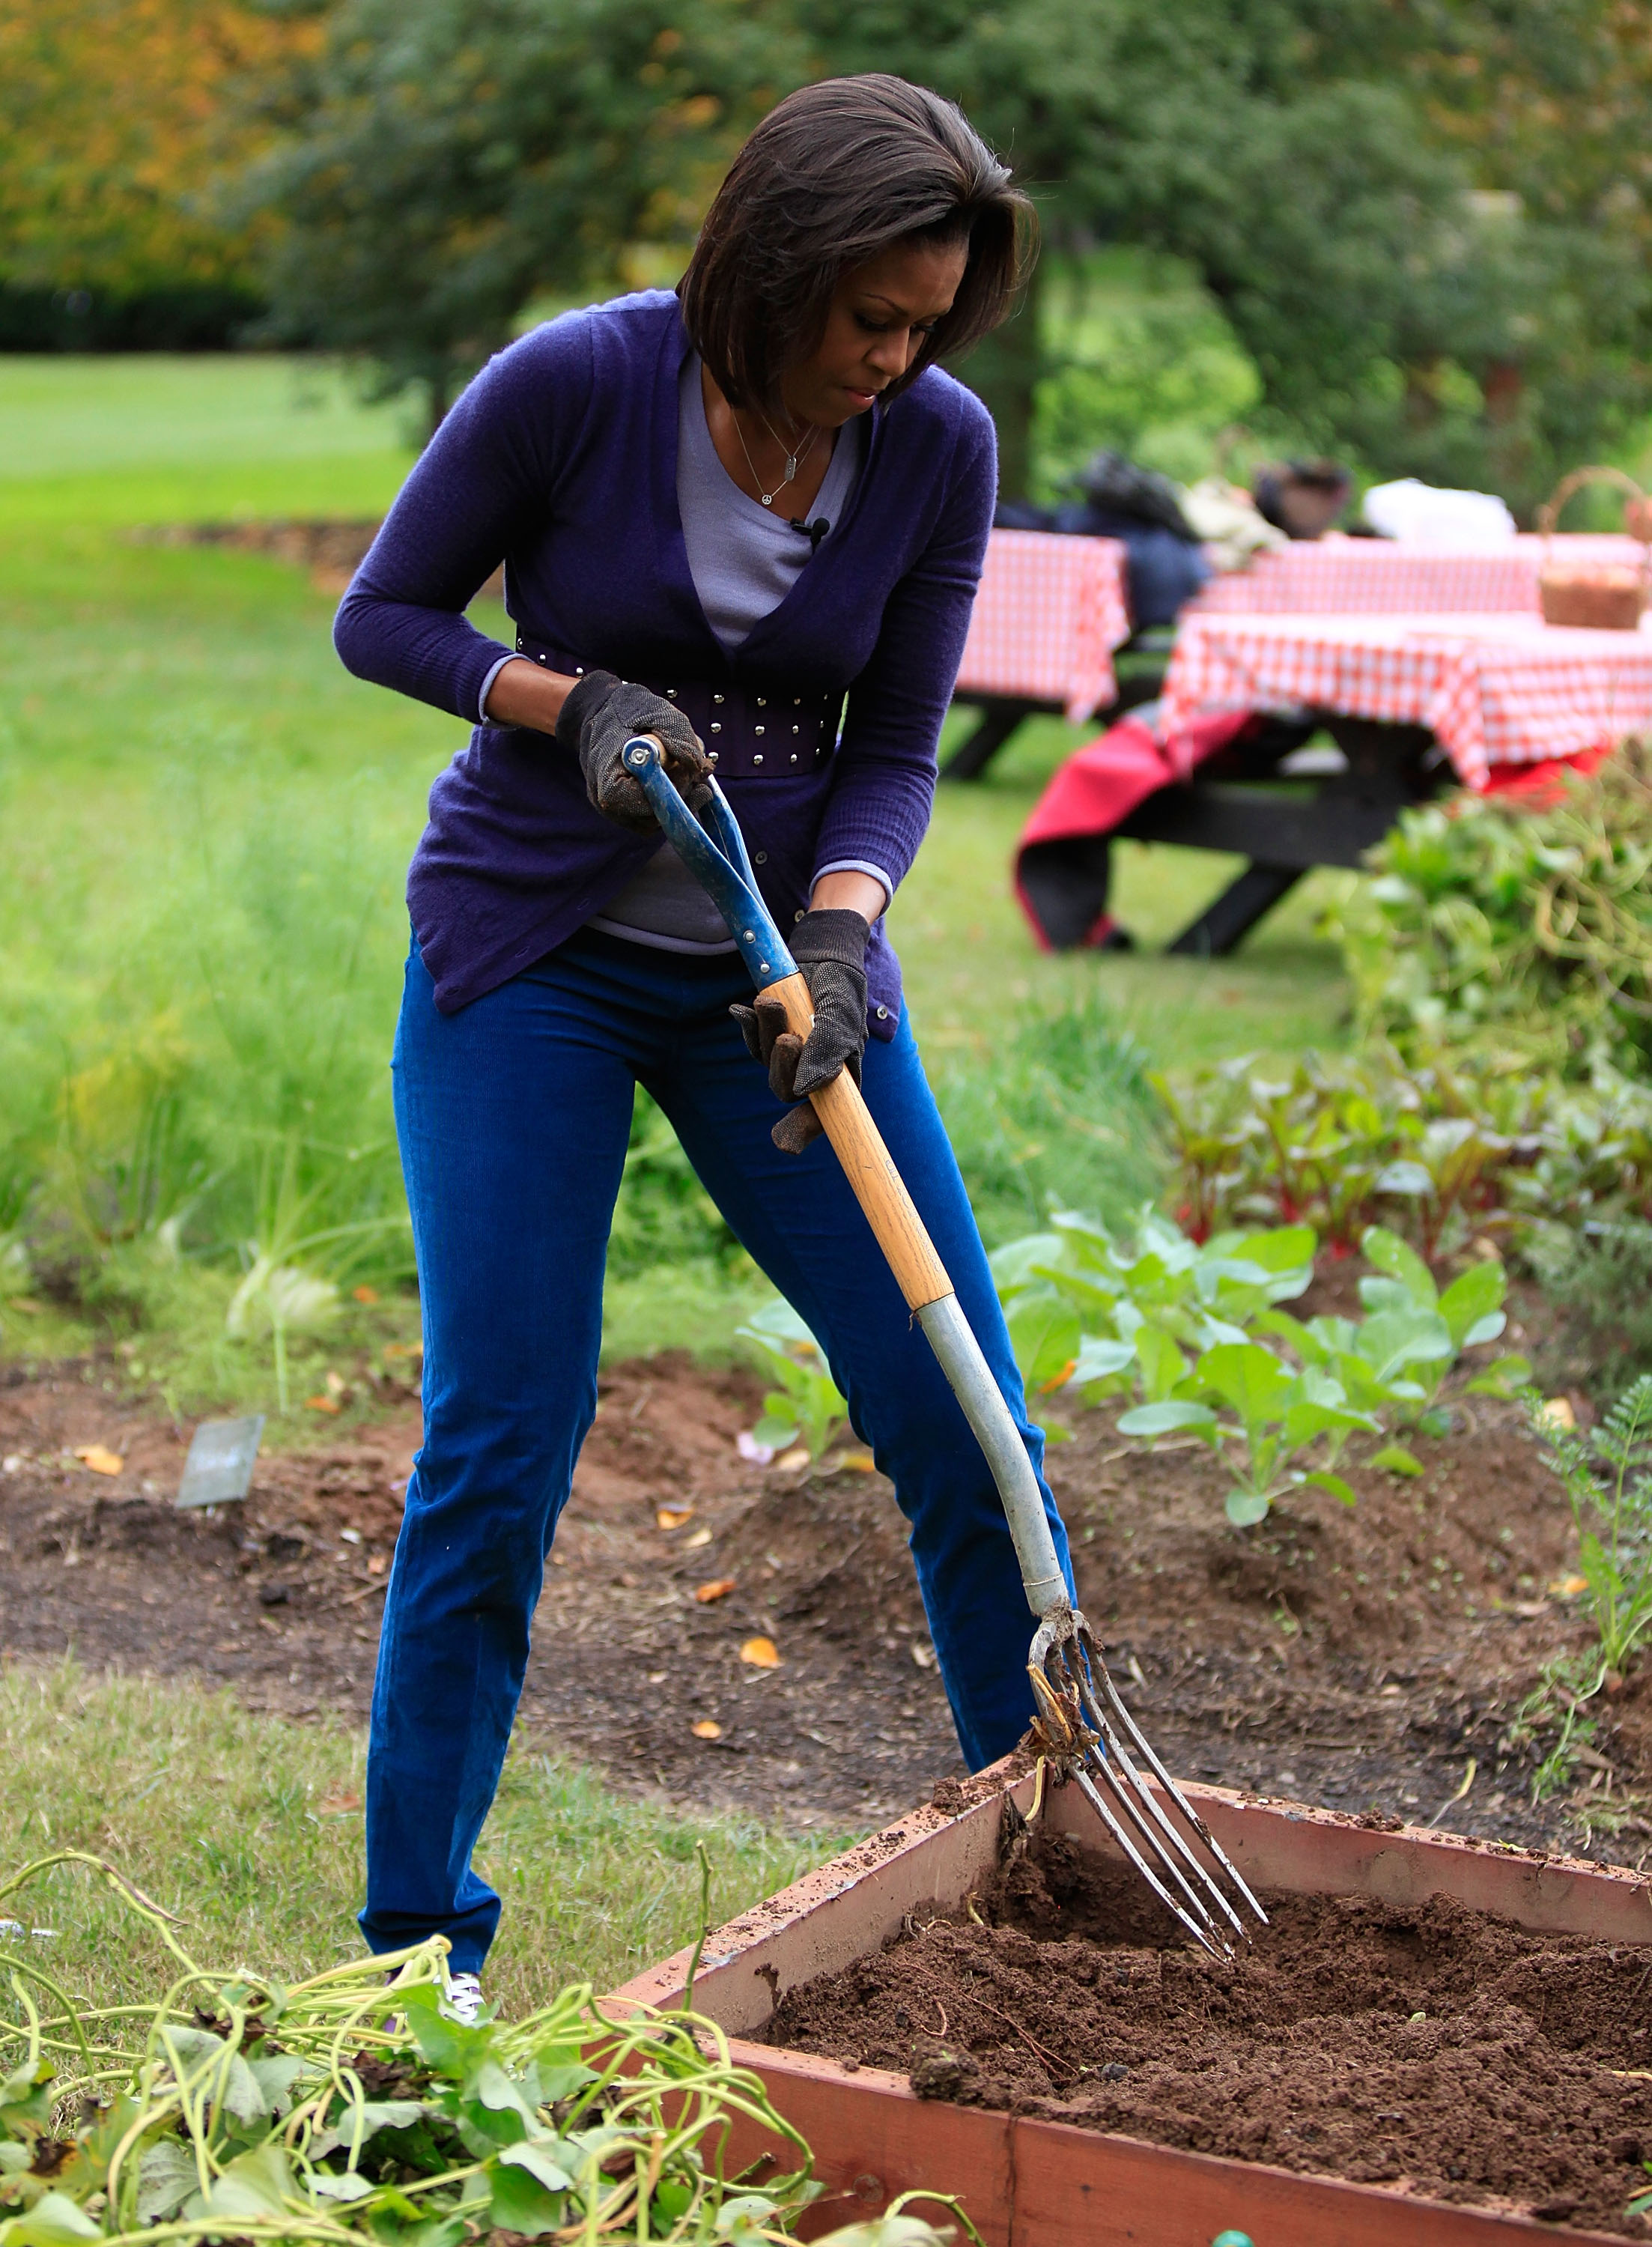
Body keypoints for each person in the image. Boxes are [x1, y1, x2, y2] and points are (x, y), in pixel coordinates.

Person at [333, 72, 1075, 2014]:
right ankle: (421, 1955)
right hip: (534, 957)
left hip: (777, 987)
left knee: (961, 1409)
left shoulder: (936, 447)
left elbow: (896, 749)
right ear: (772, 269)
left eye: (927, 327)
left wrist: (839, 940)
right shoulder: (575, 385)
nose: (895, 362)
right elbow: (382, 615)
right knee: (505, 1433)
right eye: (869, 320)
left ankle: (1050, 1878)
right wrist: (556, 697)